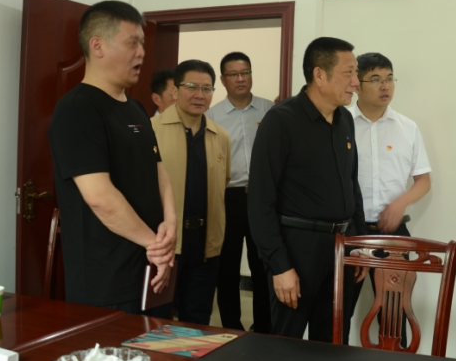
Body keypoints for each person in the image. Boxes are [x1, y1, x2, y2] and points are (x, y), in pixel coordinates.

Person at [48, 0, 176, 313]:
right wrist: (156, 245)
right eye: (132, 43)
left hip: (151, 269)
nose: (141, 53)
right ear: (98, 46)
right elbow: (99, 197)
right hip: (106, 282)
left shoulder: (136, 108)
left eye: (142, 44)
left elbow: (158, 170)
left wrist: (170, 224)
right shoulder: (77, 110)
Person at [248, 37, 368, 343]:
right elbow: (260, 201)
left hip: (341, 247)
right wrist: (280, 266)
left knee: (333, 344)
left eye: (356, 73)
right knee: (286, 346)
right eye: (349, 73)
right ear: (319, 74)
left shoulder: (345, 120)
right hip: (297, 248)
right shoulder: (281, 121)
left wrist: (359, 245)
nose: (356, 82)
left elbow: (351, 185)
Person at [348, 52, 432, 346]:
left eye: (389, 79)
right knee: (338, 312)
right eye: (375, 79)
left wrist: (401, 203)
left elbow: (423, 181)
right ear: (357, 84)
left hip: (393, 234)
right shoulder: (341, 125)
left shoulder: (407, 127)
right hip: (351, 232)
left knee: (394, 318)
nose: (385, 86)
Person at [151, 60, 231, 325]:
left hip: (205, 243)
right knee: (157, 317)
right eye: (192, 87)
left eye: (207, 89)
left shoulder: (220, 136)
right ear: (175, 90)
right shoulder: (151, 130)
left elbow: (224, 182)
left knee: (197, 319)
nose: (200, 95)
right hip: (165, 243)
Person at [206, 52, 274, 332]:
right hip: (228, 197)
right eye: (233, 74)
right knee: (228, 266)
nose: (240, 78)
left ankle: (264, 327)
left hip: (262, 197)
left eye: (245, 72)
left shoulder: (270, 110)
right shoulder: (212, 116)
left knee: (263, 264)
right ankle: (231, 327)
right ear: (223, 80)